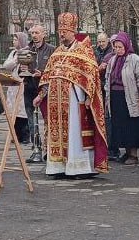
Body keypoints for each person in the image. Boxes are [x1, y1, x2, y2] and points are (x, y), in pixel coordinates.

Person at [34, 12, 109, 177]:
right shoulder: (57, 53)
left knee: (74, 135)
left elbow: (92, 74)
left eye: (65, 31)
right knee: (57, 133)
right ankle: (59, 167)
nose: (61, 34)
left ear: (73, 31)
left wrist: (89, 97)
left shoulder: (83, 51)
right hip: (56, 102)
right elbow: (47, 76)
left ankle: (79, 168)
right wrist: (41, 94)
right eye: (60, 31)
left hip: (75, 101)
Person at [105, 32, 139, 165]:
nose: (118, 50)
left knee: (132, 126)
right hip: (116, 97)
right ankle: (126, 152)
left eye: (120, 47)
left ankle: (134, 155)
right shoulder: (113, 60)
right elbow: (108, 78)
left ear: (126, 45)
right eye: (116, 47)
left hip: (129, 97)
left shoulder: (134, 59)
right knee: (119, 126)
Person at [24, 24, 56, 163]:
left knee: (48, 121)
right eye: (32, 33)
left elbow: (54, 71)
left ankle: (49, 150)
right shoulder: (27, 50)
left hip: (45, 89)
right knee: (32, 121)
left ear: (44, 34)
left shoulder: (51, 50)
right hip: (29, 87)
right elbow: (21, 70)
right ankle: (36, 149)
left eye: (37, 32)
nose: (34, 35)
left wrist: (42, 74)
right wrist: (23, 69)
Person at [0, 32, 32, 143]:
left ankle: (25, 136)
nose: (14, 42)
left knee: (22, 111)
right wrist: (16, 59)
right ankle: (15, 135)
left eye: (16, 40)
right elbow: (6, 66)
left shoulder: (28, 52)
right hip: (13, 86)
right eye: (13, 40)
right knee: (13, 111)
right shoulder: (14, 53)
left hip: (23, 85)